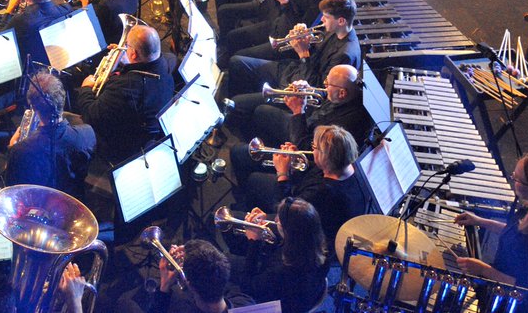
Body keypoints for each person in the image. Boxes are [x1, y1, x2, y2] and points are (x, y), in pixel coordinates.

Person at [227, 0, 364, 143]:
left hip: (299, 87)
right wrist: (303, 37)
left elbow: (318, 88)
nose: (322, 20)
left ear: (341, 21)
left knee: (238, 104)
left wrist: (303, 54)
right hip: (293, 71)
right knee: (237, 62)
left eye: (326, 17)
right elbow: (315, 54)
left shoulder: (345, 56)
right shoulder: (334, 29)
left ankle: (239, 133)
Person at [449, 151, 528, 293]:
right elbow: (513, 232)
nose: (512, 179)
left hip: (513, 301)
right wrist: (480, 221)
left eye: (517, 179)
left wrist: (483, 269)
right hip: (497, 281)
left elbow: (526, 287)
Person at [244, 124, 376, 244]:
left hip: (298, 232)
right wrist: (295, 160)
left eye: (314, 147)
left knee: (253, 182)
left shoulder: (322, 193)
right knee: (255, 180)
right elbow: (318, 172)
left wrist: (282, 173)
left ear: (325, 158)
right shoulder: (350, 167)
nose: (312, 151)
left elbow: (284, 211)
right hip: (312, 212)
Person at [74, 23, 174, 164]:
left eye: (127, 46)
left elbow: (91, 115)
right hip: (143, 125)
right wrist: (125, 61)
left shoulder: (126, 86)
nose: (124, 48)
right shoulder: (165, 62)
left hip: (120, 146)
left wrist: (86, 89)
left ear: (134, 54)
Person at [4, 71, 96, 198]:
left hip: (39, 206)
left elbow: (12, 189)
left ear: (34, 109)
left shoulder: (20, 151)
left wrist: (11, 148)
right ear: (63, 100)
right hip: (74, 202)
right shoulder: (87, 133)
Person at [236, 198, 328, 313]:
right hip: (301, 293)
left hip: (279, 305)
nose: (274, 219)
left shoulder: (281, 272)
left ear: (289, 232)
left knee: (227, 263)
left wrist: (254, 241)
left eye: (278, 219)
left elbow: (246, 286)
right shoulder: (321, 249)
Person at [118, 238, 253, 313]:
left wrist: (164, 285)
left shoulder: (179, 307)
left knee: (124, 302)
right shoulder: (246, 302)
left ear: (190, 284)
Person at [9, 0, 71, 67]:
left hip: (32, 70)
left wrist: (9, 11)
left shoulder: (20, 21)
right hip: (60, 61)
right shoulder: (66, 10)